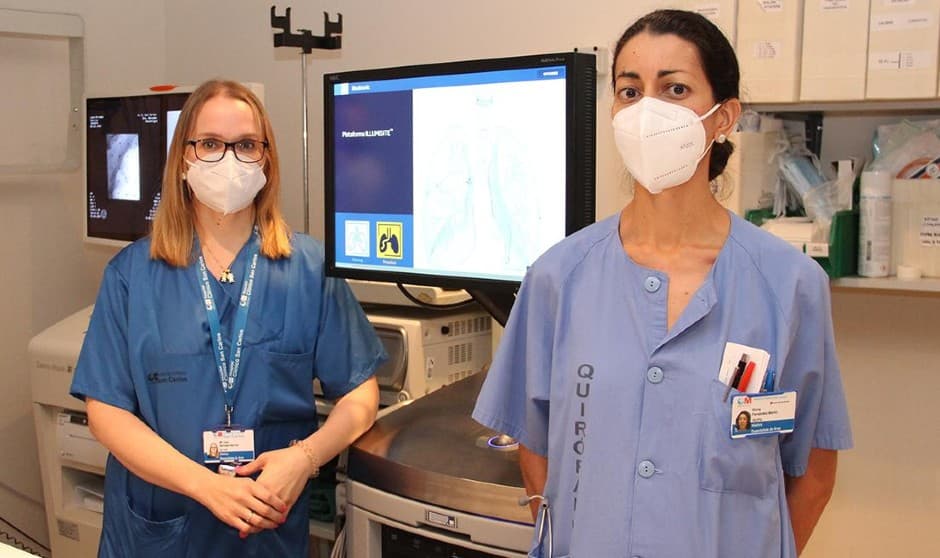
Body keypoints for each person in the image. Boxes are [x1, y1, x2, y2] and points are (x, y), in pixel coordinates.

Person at [472, 10, 852, 558]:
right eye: (630, 91)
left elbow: (813, 471)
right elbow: (537, 444)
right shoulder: (560, 277)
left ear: (724, 117)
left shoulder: (789, 286)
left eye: (675, 88)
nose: (647, 111)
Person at [70, 79, 386, 557]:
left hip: (265, 523)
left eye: (245, 145)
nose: (230, 159)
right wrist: (205, 485)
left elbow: (360, 394)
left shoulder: (306, 269)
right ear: (184, 159)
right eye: (211, 144)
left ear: (267, 159)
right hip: (162, 525)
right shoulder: (132, 274)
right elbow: (107, 412)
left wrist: (305, 459)